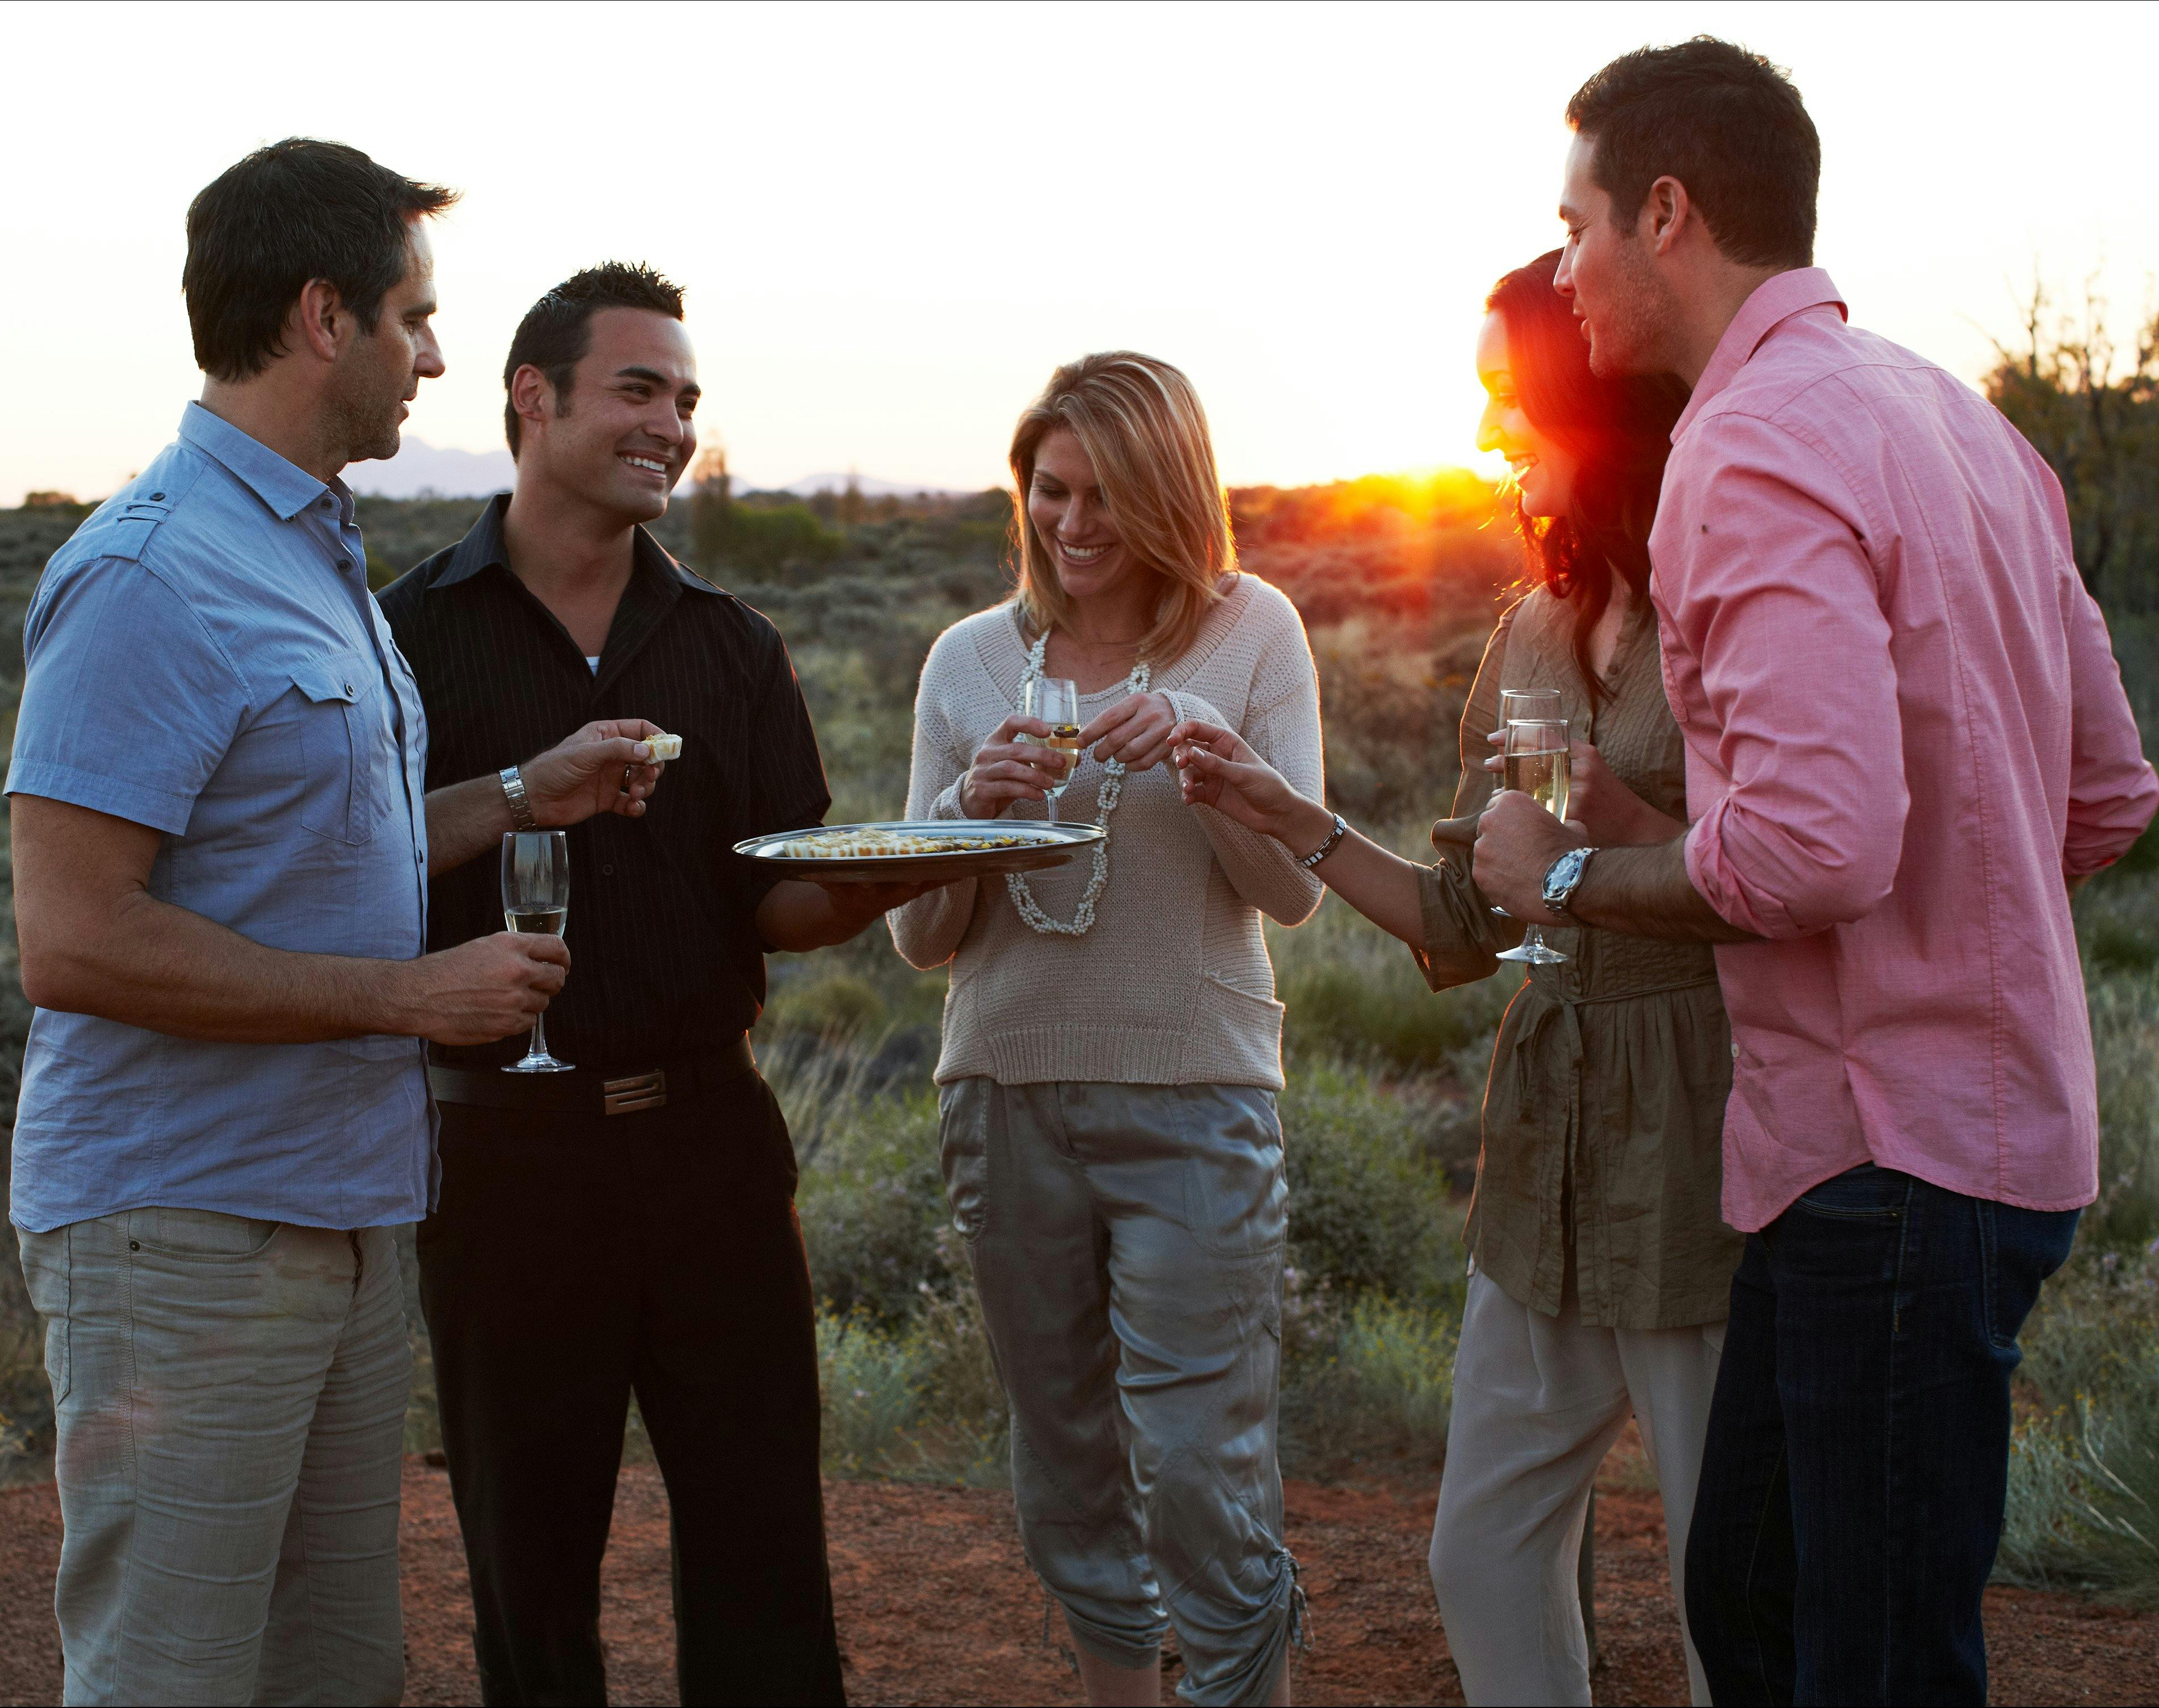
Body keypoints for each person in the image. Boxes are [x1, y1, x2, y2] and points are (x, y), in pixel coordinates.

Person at [1466, 40, 2159, 1704]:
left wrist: (1564, 880)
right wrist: (1959, 947)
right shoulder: (1960, 423)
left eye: (1574, 227)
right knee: (1757, 1599)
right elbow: (2109, 789)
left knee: (1863, 1656)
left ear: (1665, 210)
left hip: (1885, 1158)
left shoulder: (1750, 441)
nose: (1563, 268)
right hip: (1942, 1137)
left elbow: (1810, 844)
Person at [5, 140, 666, 1706]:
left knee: (332, 1676)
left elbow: (321, 852)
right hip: (186, 1233)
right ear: (322, 317)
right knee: (173, 1674)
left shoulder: (307, 554)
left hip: (346, 1220)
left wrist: (516, 791)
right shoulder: (152, 572)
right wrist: (407, 999)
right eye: (414, 317)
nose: (437, 355)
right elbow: (76, 941)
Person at [1173, 249, 1734, 1706]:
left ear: (1596, 391)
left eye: (1509, 399)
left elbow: (1803, 869)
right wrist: (1286, 815)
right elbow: (1458, 915)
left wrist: (1617, 833)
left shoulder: (1729, 600)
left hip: (1708, 1126)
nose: (1490, 435)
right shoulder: (1536, 627)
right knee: (1481, 1552)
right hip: (1545, 1130)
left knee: (1724, 1580)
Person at [377, 262, 917, 1706]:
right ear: (530, 399)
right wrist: (510, 798)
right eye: (639, 389)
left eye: (686, 400)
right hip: (499, 1159)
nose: (671, 423)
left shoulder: (734, 646)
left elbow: (786, 898)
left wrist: (920, 864)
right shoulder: (405, 637)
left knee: (764, 1555)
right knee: (529, 1570)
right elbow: (345, 869)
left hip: (712, 1150)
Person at [887, 352, 1324, 1708]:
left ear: (1174, 493)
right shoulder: (967, 660)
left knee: (1198, 1458)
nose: (1074, 524)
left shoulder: (1255, 635)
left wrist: (1203, 751)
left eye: (1108, 494)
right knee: (1065, 1454)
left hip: (1197, 1093)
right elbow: (922, 936)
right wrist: (965, 809)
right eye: (1051, 489)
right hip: (1005, 1093)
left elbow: (1294, 892)